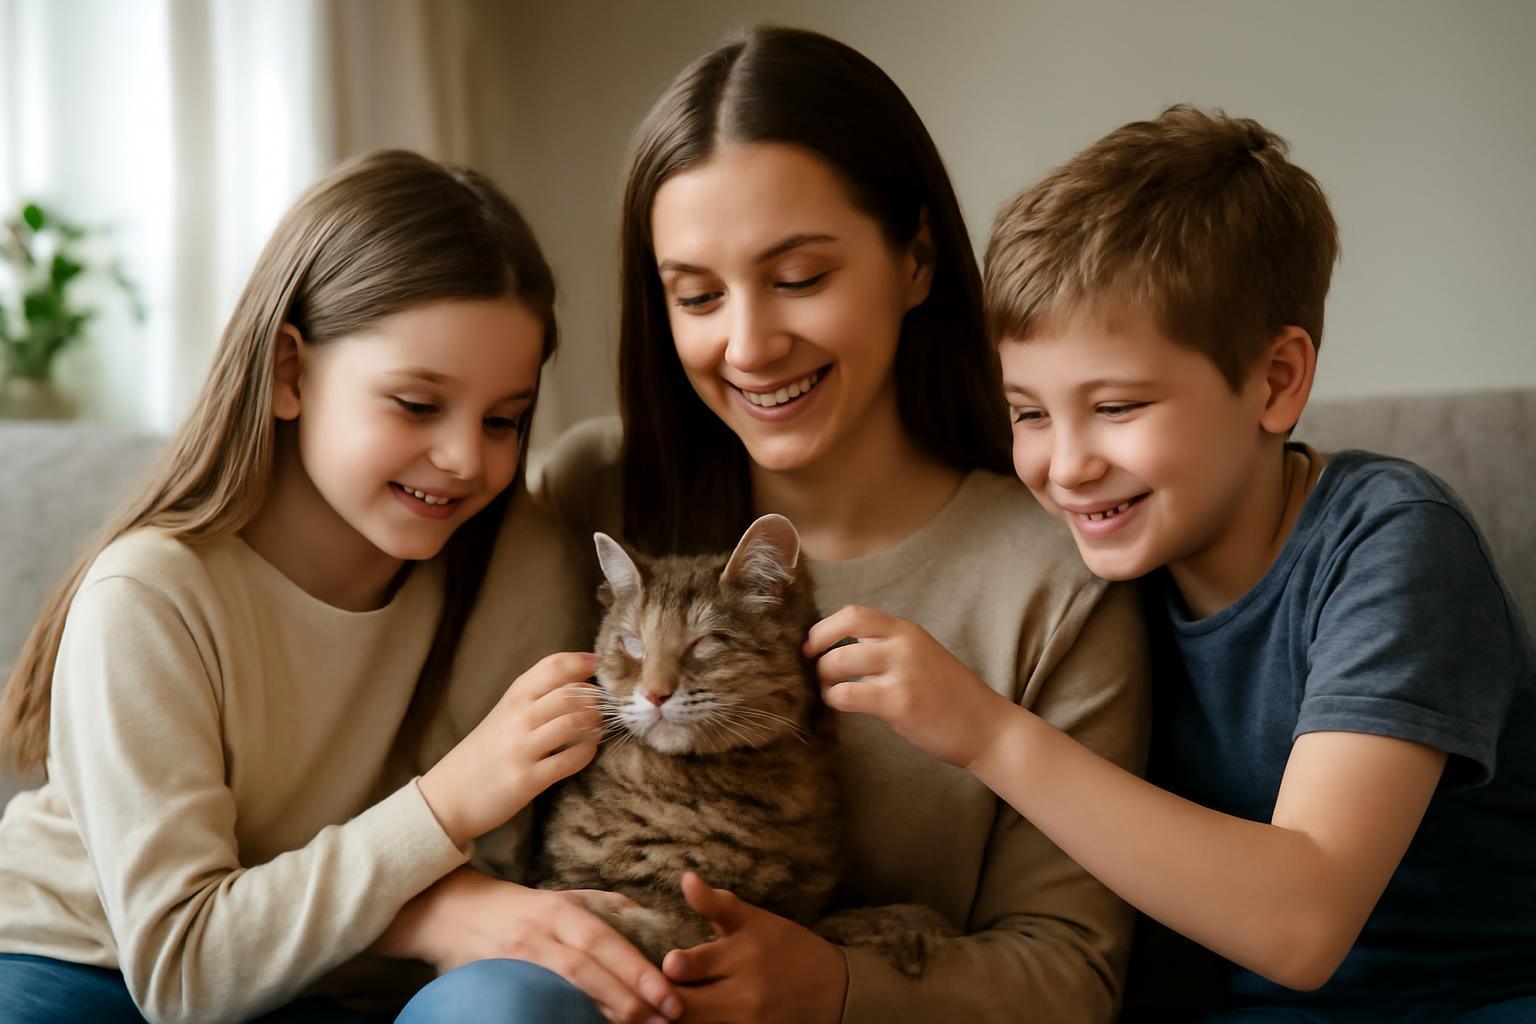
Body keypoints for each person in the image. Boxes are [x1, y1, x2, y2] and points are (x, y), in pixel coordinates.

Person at [806, 106, 1536, 1021]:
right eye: (1029, 412)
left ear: (1276, 382)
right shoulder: (1099, 565)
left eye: (1116, 407)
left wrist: (989, 735)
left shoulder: (1392, 544)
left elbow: (1301, 923)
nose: (1065, 466)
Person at [537, 26, 1149, 1023]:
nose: (749, 343)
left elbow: (1071, 973)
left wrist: (835, 983)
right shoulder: (586, 494)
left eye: (800, 278)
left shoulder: (1054, 574)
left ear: (915, 259)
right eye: (696, 295)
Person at [0, 150, 682, 1024]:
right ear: (291, 374)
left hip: (350, 984)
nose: (467, 459)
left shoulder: (525, 571)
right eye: (415, 404)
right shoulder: (149, 598)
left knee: (512, 1002)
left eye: (504, 419)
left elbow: (520, 877)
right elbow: (182, 972)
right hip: (91, 970)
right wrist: (440, 828)